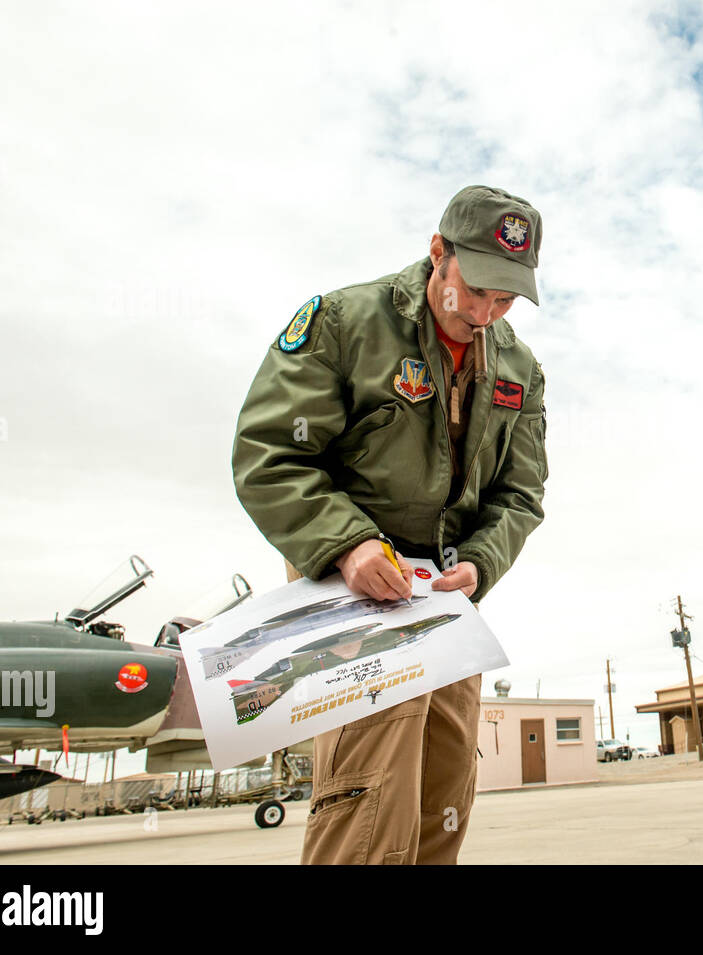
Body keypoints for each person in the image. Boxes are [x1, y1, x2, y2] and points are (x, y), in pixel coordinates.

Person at [232, 185, 549, 864]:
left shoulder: (518, 367)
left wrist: (483, 562)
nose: (487, 312)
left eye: (507, 298)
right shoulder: (346, 323)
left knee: (447, 781)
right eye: (478, 289)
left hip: (443, 596)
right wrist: (348, 546)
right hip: (350, 585)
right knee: (371, 788)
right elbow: (269, 453)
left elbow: (520, 493)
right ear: (439, 253)